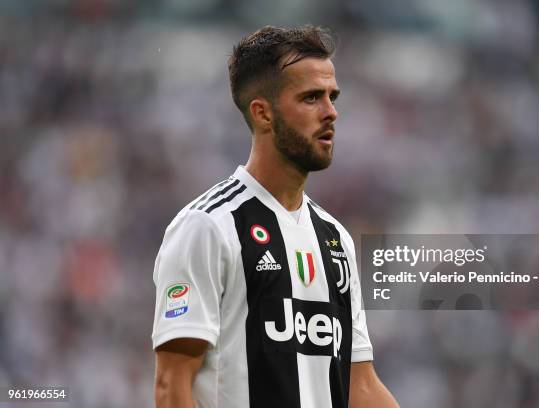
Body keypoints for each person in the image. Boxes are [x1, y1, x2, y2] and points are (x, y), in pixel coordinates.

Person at [152, 25, 399, 408]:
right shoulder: (208, 226)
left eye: (332, 97)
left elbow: (360, 386)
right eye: (311, 98)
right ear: (263, 114)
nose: (331, 112)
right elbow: (172, 384)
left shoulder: (335, 239)